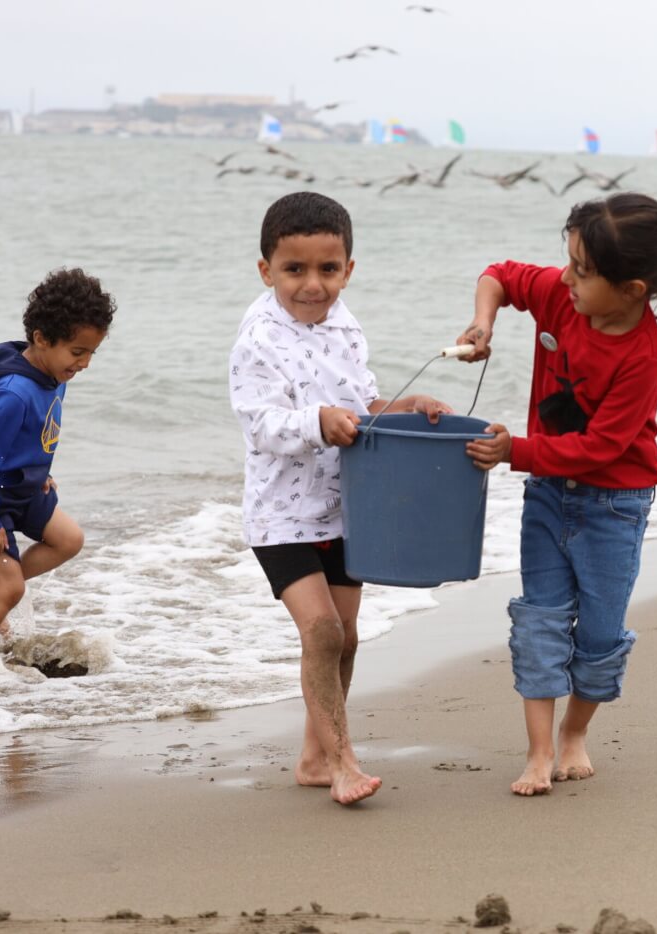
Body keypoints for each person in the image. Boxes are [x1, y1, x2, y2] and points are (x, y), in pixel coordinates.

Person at [455, 192, 657, 796]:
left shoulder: (643, 354)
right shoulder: (559, 294)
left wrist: (515, 451)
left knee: (600, 634)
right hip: (549, 495)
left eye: (583, 270)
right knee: (540, 621)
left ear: (633, 288)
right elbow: (498, 275)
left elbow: (603, 447)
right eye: (569, 262)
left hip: (615, 507)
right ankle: (538, 751)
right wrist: (485, 321)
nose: (568, 279)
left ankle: (575, 736)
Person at [229, 191, 451, 806]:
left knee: (347, 636)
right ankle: (343, 760)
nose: (312, 284)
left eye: (328, 269)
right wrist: (314, 422)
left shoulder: (346, 325)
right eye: (294, 269)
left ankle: (312, 757)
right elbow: (260, 424)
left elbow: (363, 404)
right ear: (266, 269)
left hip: (347, 504)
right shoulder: (257, 341)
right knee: (322, 631)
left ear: (348, 269)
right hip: (280, 516)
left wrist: (405, 407)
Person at [0, 268, 116, 659]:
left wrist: (40, 471)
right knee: (13, 589)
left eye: (91, 353)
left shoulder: (54, 376)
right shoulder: (12, 394)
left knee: (69, 540)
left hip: (19, 487)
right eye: (77, 352)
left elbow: (25, 437)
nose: (84, 363)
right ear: (41, 339)